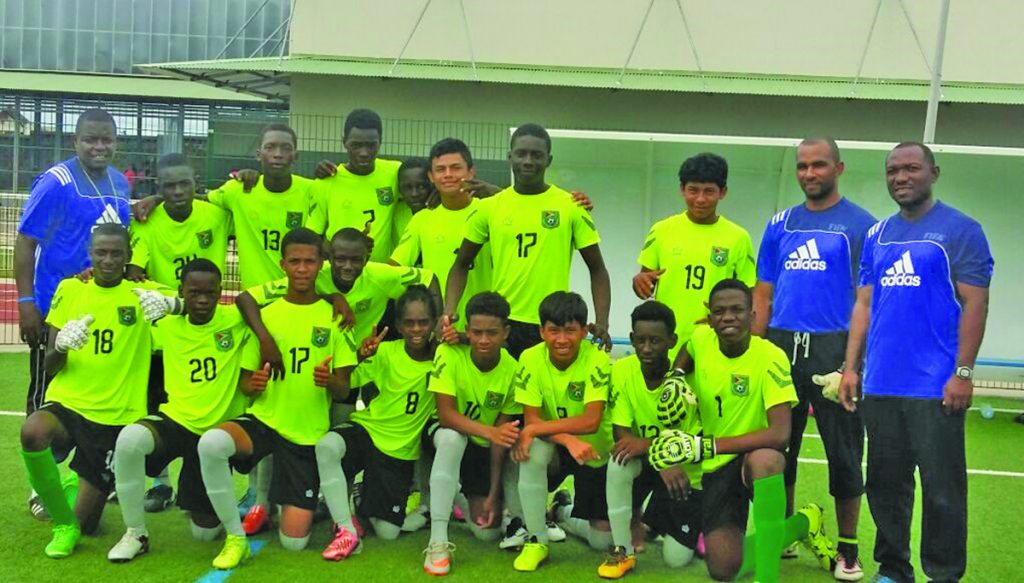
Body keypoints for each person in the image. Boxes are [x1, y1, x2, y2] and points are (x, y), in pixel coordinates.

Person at [839, 142, 992, 583]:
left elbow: (976, 304)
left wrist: (963, 373)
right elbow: (864, 305)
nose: (900, 178)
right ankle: (893, 569)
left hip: (935, 387)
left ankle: (943, 573)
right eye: (892, 171)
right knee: (887, 486)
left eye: (910, 169)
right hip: (882, 385)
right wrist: (851, 367)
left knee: (943, 490)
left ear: (934, 173)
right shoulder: (877, 234)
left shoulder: (962, 230)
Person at [751, 137, 876, 581]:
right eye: (802, 166)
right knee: (775, 445)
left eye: (818, 165)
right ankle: (784, 531)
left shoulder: (863, 226)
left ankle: (848, 547)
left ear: (838, 168)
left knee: (845, 453)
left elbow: (868, 301)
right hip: (780, 348)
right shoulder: (780, 223)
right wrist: (754, 352)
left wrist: (852, 365)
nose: (809, 173)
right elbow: (762, 294)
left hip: (833, 349)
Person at [196, 228, 357, 569]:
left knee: (294, 543)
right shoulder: (266, 317)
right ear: (283, 264)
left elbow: (344, 389)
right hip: (264, 421)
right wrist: (253, 384)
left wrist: (329, 382)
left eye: (309, 262)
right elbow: (244, 383)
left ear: (321, 265)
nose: (302, 269)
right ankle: (235, 537)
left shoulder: (334, 317)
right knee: (211, 444)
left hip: (306, 433)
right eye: (295, 261)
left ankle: (299, 507)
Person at [660, 279, 834, 583]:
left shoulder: (771, 357)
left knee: (767, 460)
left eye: (737, 310)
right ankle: (805, 522)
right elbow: (687, 349)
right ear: (710, 318)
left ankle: (767, 578)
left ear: (752, 316)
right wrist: (675, 375)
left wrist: (708, 446)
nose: (728, 317)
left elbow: (780, 434)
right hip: (716, 467)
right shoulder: (701, 339)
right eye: (719, 311)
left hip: (753, 457)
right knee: (723, 569)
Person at [19, 224, 177, 558]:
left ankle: (75, 488)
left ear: (128, 257)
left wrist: (172, 306)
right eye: (101, 252)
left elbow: (197, 305)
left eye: (116, 253)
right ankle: (64, 524)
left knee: (88, 526)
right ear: (90, 254)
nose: (107, 260)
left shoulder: (146, 294)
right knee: (33, 431)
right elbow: (50, 365)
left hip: (114, 419)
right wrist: (61, 345)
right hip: (69, 404)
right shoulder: (71, 289)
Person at [107, 259, 251, 562]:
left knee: (205, 533)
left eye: (210, 293)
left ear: (220, 292)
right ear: (181, 292)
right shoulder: (164, 324)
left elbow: (268, 300)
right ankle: (136, 532)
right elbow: (130, 293)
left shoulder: (235, 319)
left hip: (216, 432)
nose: (201, 300)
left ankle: (204, 498)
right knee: (130, 440)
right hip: (177, 420)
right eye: (193, 292)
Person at [444, 123, 612, 358]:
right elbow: (461, 264)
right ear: (510, 157)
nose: (528, 161)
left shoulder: (570, 206)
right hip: (504, 323)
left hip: (552, 323)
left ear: (549, 160)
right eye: (521, 154)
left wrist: (602, 321)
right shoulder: (490, 208)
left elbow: (598, 269)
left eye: (537, 155)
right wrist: (449, 310)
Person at [127, 153, 234, 511]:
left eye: (183, 183)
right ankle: (159, 484)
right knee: (158, 403)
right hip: (165, 331)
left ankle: (206, 476)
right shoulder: (146, 221)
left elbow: (249, 207)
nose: (176, 191)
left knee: (208, 406)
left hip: (209, 326)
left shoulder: (217, 214)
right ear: (158, 188)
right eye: (168, 186)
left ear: (195, 183)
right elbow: (135, 275)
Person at [16, 108, 132, 421]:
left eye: (106, 140)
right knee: (44, 397)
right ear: (74, 142)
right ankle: (40, 469)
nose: (99, 147)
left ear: (116, 142)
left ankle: (83, 470)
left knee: (93, 397)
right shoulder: (57, 182)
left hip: (100, 311)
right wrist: (26, 303)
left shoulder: (121, 184)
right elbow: (26, 241)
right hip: (53, 307)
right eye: (90, 140)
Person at [315, 285, 439, 560]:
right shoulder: (385, 352)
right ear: (398, 325)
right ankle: (346, 529)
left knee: (388, 532)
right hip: (368, 430)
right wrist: (360, 356)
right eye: (409, 323)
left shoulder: (443, 359)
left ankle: (362, 498)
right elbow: (348, 385)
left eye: (423, 322)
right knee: (327, 447)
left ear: (433, 323)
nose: (416, 329)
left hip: (398, 451)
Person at [237, 227, 439, 372]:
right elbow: (246, 298)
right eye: (341, 259)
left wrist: (438, 326)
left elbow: (428, 278)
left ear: (366, 259)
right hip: (321, 361)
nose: (348, 266)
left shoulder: (380, 275)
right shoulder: (311, 273)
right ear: (329, 258)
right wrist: (265, 340)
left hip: (365, 361)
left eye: (356, 260)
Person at [511, 291, 613, 572]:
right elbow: (531, 419)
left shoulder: (598, 359)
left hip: (595, 451)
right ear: (542, 331)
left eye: (570, 330)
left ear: (584, 331)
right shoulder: (530, 358)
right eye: (553, 330)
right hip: (558, 447)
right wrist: (567, 439)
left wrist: (536, 430)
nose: (562, 339)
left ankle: (561, 511)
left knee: (602, 542)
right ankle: (536, 540)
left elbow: (591, 420)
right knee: (531, 448)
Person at [422, 291, 524, 575]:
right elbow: (446, 415)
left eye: (491, 333)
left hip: (481, 445)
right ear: (466, 330)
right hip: (441, 436)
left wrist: (493, 493)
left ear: (506, 333)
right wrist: (491, 432)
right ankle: (438, 541)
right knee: (453, 438)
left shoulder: (514, 371)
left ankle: (453, 494)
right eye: (476, 332)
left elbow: (500, 440)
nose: (482, 340)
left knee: (487, 532)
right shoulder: (449, 352)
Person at [600, 300, 703, 579]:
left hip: (682, 473)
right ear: (632, 339)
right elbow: (622, 436)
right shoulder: (621, 371)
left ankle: (660, 522)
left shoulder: (688, 381)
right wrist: (659, 458)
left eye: (655, 341)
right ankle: (622, 549)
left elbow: (693, 441)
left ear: (672, 341)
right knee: (618, 463)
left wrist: (656, 452)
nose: (646, 348)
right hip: (651, 466)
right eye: (641, 340)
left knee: (676, 559)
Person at [632, 152, 756, 356]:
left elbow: (747, 294)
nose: (700, 199)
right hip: (668, 343)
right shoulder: (662, 230)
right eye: (693, 190)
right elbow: (645, 282)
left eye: (709, 191)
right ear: (682, 189)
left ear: (722, 192)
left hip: (715, 342)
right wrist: (639, 282)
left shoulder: (738, 237)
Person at [391, 139, 494, 332]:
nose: (448, 175)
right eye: (440, 169)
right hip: (443, 328)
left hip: (486, 331)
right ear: (431, 176)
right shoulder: (422, 219)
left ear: (471, 172)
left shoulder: (490, 211)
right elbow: (394, 268)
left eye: (456, 168)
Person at [306, 108, 406, 263]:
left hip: (381, 275)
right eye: (356, 145)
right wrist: (347, 249)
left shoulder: (395, 172)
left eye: (371, 145)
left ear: (381, 142)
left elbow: (425, 184)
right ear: (344, 142)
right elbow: (313, 238)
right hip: (339, 275)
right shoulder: (326, 181)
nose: (364, 152)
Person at [394, 157, 433, 240]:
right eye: (407, 187)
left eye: (421, 186)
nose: (414, 194)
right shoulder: (394, 214)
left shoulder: (442, 213)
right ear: (399, 189)